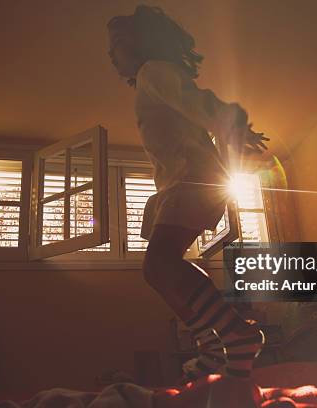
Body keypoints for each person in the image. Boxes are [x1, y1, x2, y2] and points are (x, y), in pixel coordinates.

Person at [107, 5, 268, 383]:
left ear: (143, 42)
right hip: (185, 181)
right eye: (109, 49)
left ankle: (232, 338)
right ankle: (216, 343)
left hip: (193, 180)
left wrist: (234, 125)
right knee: (162, 269)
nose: (112, 55)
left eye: (117, 43)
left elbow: (196, 102)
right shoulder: (150, 81)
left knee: (159, 265)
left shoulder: (154, 71)